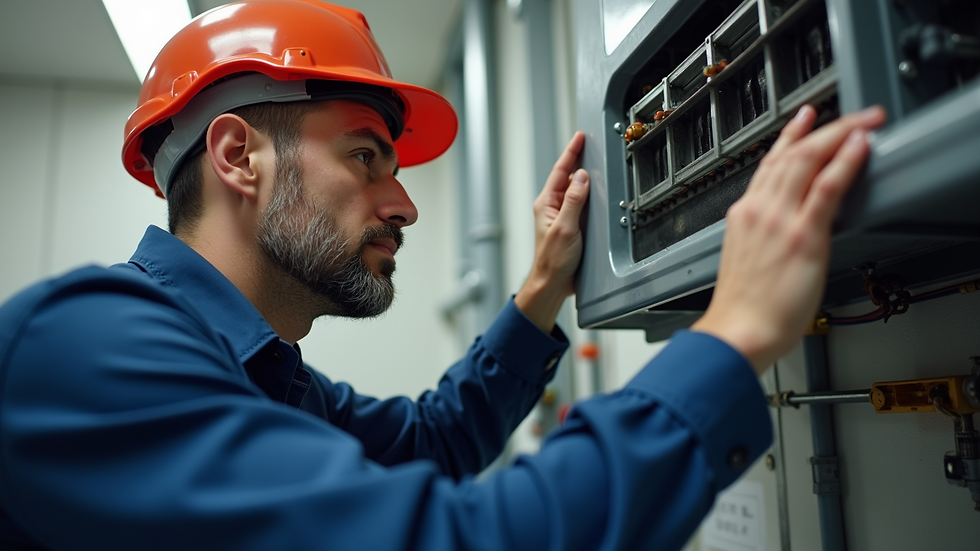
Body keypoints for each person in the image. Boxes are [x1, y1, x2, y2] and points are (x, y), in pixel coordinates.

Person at [0, 1, 886, 549]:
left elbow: (428, 441)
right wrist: (733, 336)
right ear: (239, 158)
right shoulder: (87, 349)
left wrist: (541, 291)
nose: (405, 204)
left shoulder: (264, 374)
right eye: (367, 156)